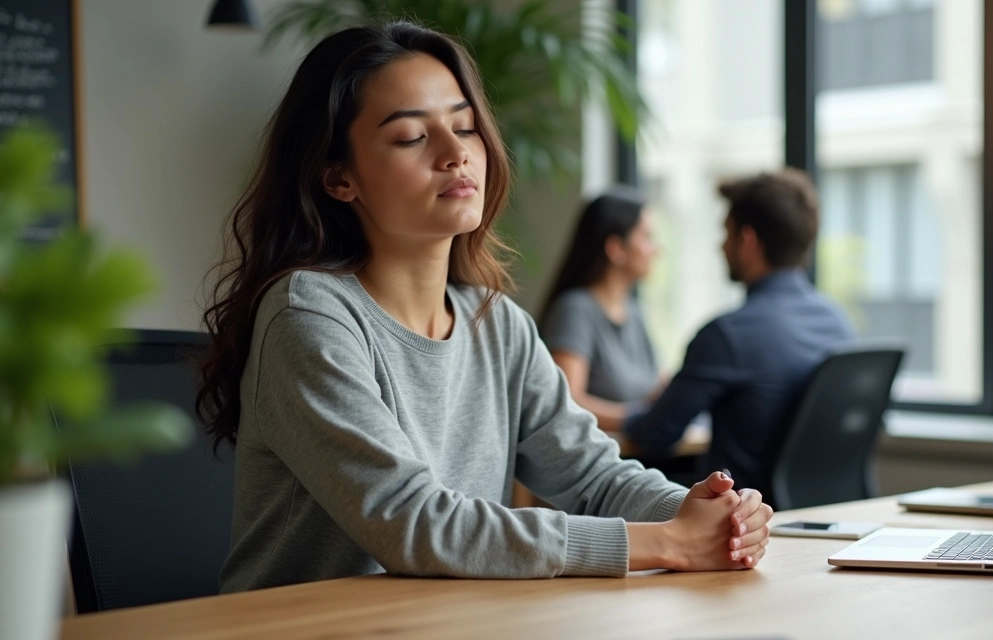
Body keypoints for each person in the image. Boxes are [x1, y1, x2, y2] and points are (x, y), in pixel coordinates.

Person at [195, 21, 773, 592]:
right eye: (410, 137)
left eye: (466, 128)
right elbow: (412, 523)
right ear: (339, 178)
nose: (456, 154)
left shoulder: (497, 324)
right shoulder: (308, 316)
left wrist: (710, 514)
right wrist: (667, 542)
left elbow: (592, 475)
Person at [619, 169, 855, 502]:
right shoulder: (838, 323)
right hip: (827, 519)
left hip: (745, 527)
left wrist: (629, 415)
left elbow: (658, 434)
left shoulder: (726, 336)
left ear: (747, 241)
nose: (721, 246)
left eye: (725, 233)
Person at [539, 188, 664, 431]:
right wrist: (633, 420)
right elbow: (568, 400)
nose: (656, 249)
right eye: (647, 237)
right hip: (600, 463)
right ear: (616, 248)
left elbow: (658, 387)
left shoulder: (634, 312)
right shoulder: (574, 310)